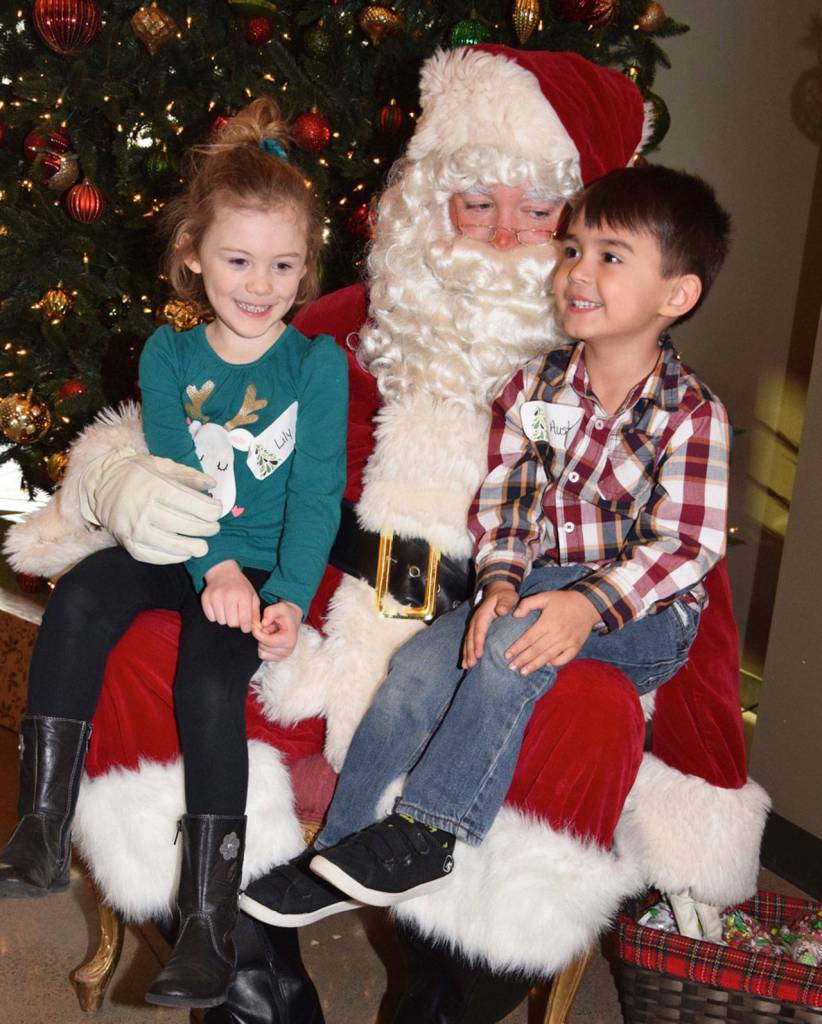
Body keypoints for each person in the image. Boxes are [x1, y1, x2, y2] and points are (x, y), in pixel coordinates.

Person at [4, 46, 768, 1024]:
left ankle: (450, 996)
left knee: (590, 709)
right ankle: (253, 981)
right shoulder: (342, 326)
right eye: (473, 201)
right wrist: (128, 483)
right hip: (318, 621)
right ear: (424, 204)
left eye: (537, 211)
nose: (501, 238)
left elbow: (679, 567)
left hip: (509, 637)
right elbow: (172, 418)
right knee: (154, 650)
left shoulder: (620, 382)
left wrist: (702, 781)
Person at [238, 163, 732, 924]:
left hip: (646, 611)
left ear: (677, 295)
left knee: (508, 648)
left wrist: (584, 607)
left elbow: (685, 546)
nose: (577, 272)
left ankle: (431, 833)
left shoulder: (692, 414)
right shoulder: (535, 388)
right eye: (571, 249)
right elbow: (511, 502)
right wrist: (500, 581)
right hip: (535, 588)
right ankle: (336, 850)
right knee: (423, 664)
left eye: (610, 256)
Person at [0, 97, 348, 1012]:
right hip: (189, 549)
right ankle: (40, 828)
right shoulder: (167, 355)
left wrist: (289, 597)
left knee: (205, 685)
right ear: (194, 254)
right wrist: (212, 570)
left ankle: (206, 923)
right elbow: (183, 472)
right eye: (238, 260)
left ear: (307, 266)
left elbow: (315, 497)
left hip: (266, 568)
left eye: (283, 264)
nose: (260, 283)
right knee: (79, 598)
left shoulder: (315, 368)